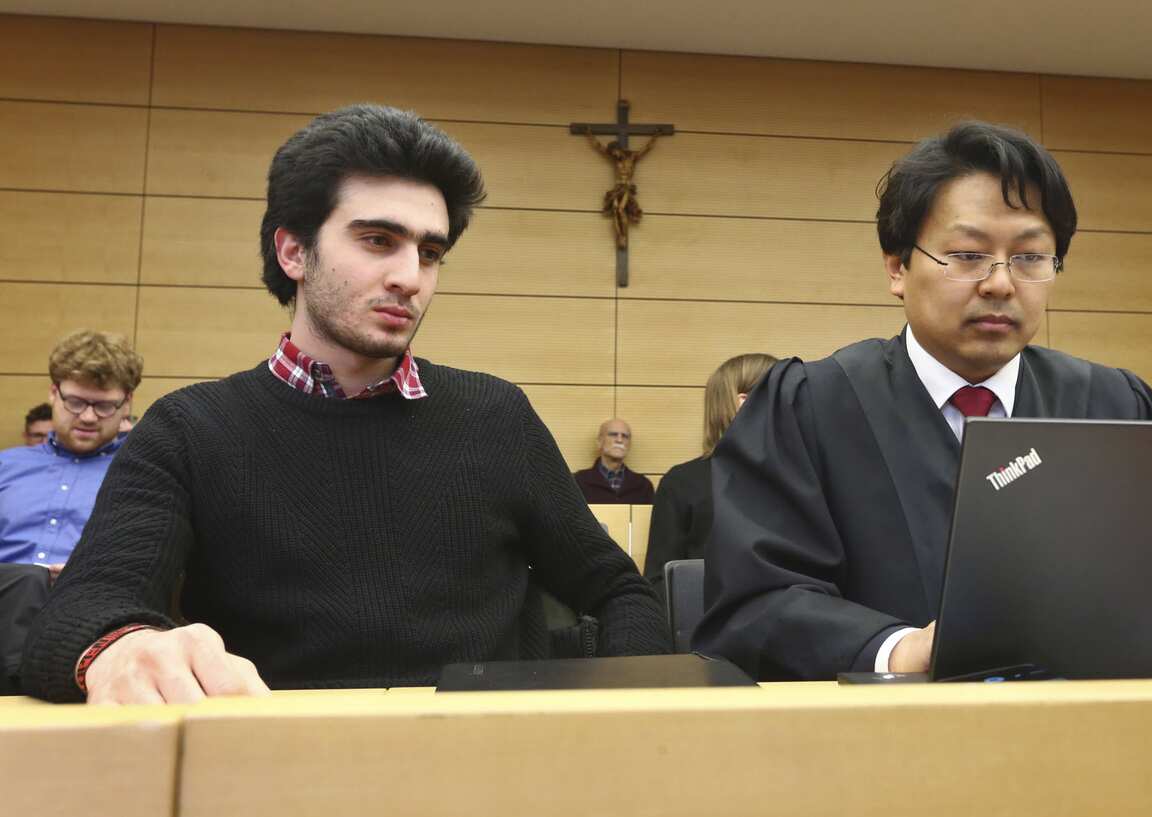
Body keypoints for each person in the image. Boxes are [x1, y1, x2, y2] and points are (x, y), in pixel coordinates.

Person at [22, 104, 668, 704]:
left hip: (486, 764)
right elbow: (79, 613)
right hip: (274, 767)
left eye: (431, 251)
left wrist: (616, 713)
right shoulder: (193, 428)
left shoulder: (494, 415)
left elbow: (618, 591)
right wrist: (120, 649)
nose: (411, 276)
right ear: (294, 250)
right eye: (378, 240)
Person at [693, 121, 1152, 681]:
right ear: (898, 267)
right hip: (880, 743)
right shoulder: (809, 408)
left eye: (1030, 257)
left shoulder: (1112, 405)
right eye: (968, 255)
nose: (1000, 283)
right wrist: (900, 651)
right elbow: (753, 607)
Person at [0, 330, 142, 579]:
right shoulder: (5, 465)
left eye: (104, 406)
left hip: (89, 604)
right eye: (75, 402)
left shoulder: (141, 478)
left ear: (127, 403)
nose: (88, 418)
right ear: (54, 393)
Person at [643, 354, 778, 598]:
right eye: (779, 392)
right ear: (743, 403)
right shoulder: (683, 483)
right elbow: (660, 582)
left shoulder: (807, 479)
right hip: (709, 628)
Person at [573, 419, 655, 504]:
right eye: (613, 435)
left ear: (629, 444)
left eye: (625, 436)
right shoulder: (578, 482)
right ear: (599, 441)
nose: (619, 440)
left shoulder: (643, 486)